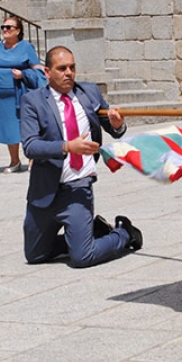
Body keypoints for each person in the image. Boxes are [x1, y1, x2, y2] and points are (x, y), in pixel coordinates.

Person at [19, 45, 142, 268]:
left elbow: (112, 127)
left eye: (72, 68)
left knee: (82, 257)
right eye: (62, 68)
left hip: (77, 189)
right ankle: (91, 233)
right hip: (44, 191)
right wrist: (67, 146)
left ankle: (124, 233)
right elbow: (30, 146)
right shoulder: (33, 101)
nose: (69, 73)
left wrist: (118, 125)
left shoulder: (89, 93)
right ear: (47, 72)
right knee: (34, 255)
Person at [0, 16, 44, 173]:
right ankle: (14, 161)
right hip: (1, 95)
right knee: (9, 128)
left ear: (18, 30)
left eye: (9, 27)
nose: (5, 30)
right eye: (3, 27)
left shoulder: (26, 47)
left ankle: (32, 159)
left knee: (25, 126)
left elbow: (39, 72)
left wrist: (23, 75)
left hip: (21, 93)